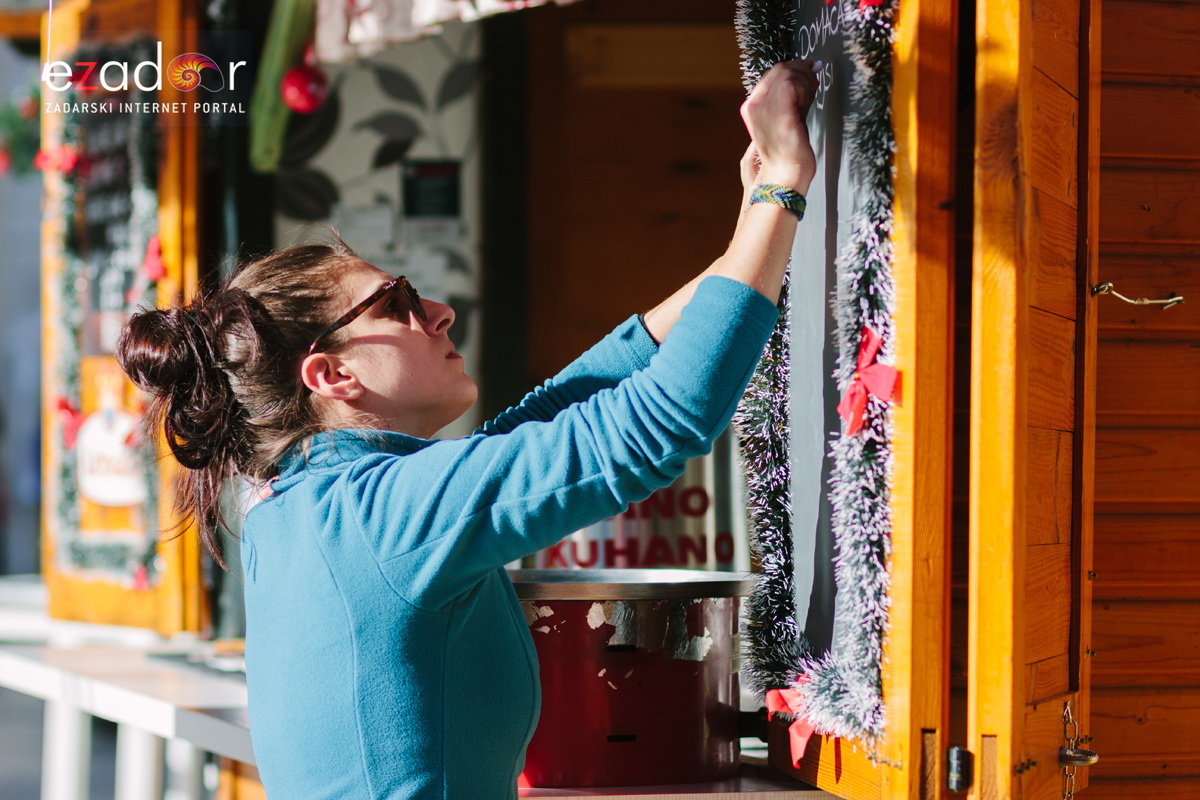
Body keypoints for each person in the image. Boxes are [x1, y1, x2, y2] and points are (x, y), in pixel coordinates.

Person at [118, 60, 817, 800]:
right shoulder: (379, 515)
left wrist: (753, 234)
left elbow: (547, 417)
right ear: (330, 376)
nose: (439, 313)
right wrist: (783, 186)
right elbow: (655, 425)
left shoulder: (295, 502)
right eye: (398, 303)